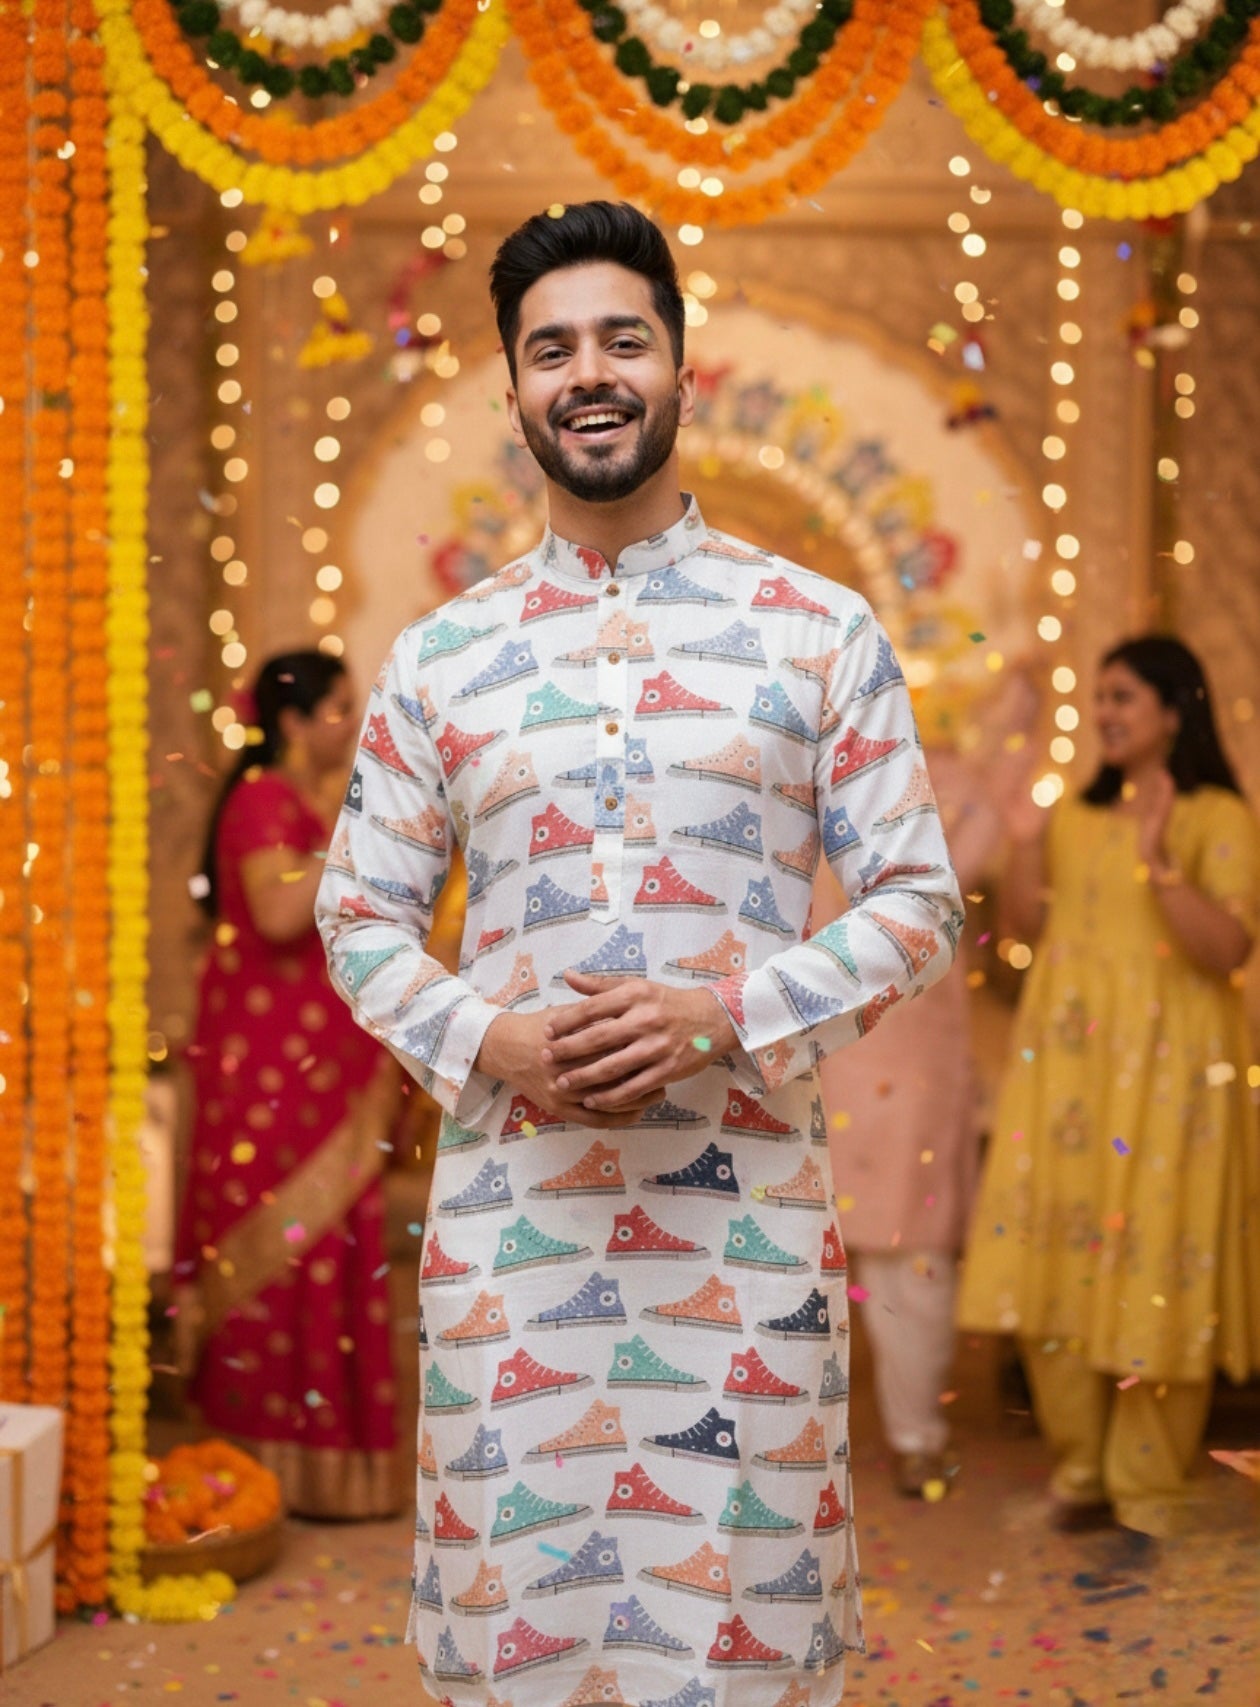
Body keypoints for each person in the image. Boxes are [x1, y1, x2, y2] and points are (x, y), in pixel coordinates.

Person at [317, 202, 963, 1707]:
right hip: (513, 1237)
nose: (588, 372)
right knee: (520, 1633)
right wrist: (493, 1039)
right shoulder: (446, 657)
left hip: (739, 1239)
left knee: (740, 1634)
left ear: (681, 363)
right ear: (514, 390)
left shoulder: (817, 630)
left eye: (623, 337)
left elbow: (915, 899)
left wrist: (721, 1012)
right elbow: (359, 912)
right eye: (552, 350)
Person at [957, 635, 1260, 1541]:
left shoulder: (1215, 815)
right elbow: (1024, 928)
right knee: (1056, 1256)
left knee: (1157, 1268)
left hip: (1172, 1076)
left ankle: (1150, 1485)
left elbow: (1228, 949)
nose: (1106, 714)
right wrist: (1019, 841)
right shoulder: (1074, 816)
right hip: (1072, 1071)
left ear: (1175, 710)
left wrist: (1162, 855)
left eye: (1124, 696)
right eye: (1099, 698)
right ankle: (1083, 1469)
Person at [174, 651, 402, 1519]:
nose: (351, 721)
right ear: (297, 722)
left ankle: (321, 1469)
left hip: (319, 1064)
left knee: (330, 1247)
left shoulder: (303, 803)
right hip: (271, 1069)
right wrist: (365, 837)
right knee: (279, 1250)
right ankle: (255, 1471)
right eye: (339, 708)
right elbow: (275, 912)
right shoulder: (267, 795)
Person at [811, 698, 1027, 1497]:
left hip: (919, 1053)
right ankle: (872, 1437)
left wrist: (1022, 715)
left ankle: (916, 1433)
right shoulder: (818, 787)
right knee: (853, 1251)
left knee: (918, 1251)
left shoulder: (953, 784)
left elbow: (964, 868)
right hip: (838, 1053)